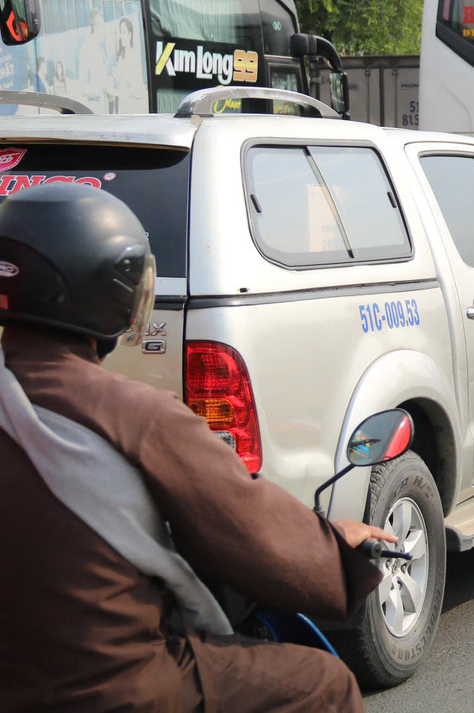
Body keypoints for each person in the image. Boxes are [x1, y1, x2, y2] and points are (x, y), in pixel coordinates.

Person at [0, 182, 392, 712]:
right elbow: (254, 529)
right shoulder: (136, 415)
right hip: (108, 687)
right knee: (323, 683)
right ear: (108, 287)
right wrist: (335, 551)